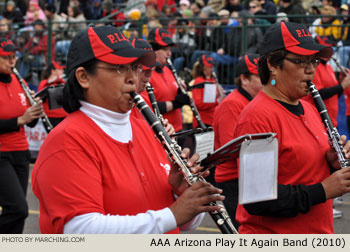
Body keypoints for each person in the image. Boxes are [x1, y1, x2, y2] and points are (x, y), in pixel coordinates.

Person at [31, 25, 225, 234]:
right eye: (118, 68)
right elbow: (80, 230)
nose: (133, 77)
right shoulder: (67, 141)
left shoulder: (147, 128)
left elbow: (184, 223)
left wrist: (182, 195)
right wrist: (173, 213)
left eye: (133, 67)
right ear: (83, 77)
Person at [233, 21, 350, 233]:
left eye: (313, 61)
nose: (310, 70)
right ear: (272, 65)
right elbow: (257, 199)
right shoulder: (257, 117)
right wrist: (323, 190)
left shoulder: (308, 107)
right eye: (300, 62)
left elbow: (302, 171)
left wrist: (331, 163)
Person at [213, 53, 262, 229]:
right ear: (244, 79)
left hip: (247, 178)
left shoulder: (253, 101)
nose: (265, 80)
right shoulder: (232, 104)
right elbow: (232, 148)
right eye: (258, 76)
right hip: (233, 181)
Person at [0, 38, 43, 233]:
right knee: (19, 209)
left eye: (14, 57)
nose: (12, 61)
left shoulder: (19, 80)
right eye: (6, 57)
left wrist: (35, 111)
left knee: (16, 212)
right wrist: (18, 120)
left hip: (20, 151)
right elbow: (20, 120)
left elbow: (30, 122)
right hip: (2, 154)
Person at [146, 27, 191, 134]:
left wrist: (181, 92)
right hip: (161, 133)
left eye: (170, 50)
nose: (169, 54)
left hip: (177, 129)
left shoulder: (168, 70)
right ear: (153, 50)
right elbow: (150, 108)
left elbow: (171, 95)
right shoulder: (146, 74)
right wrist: (175, 103)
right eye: (165, 49)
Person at [37, 60, 68, 128]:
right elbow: (40, 96)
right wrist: (52, 82)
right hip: (51, 117)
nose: (62, 71)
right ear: (53, 71)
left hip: (64, 116)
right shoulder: (44, 83)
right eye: (59, 69)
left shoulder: (62, 82)